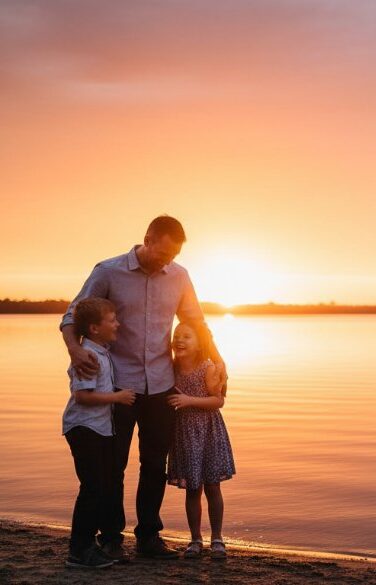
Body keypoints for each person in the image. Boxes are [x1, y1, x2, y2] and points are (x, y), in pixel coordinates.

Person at [60, 215, 226, 561]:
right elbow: (71, 317)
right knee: (113, 466)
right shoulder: (108, 271)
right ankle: (111, 538)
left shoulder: (179, 276)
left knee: (154, 466)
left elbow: (196, 321)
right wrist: (76, 350)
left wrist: (218, 359)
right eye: (163, 254)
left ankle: (149, 537)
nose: (168, 262)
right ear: (148, 239)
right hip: (120, 385)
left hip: (162, 386)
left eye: (173, 256)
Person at [61, 297, 136, 569]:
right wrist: (117, 398)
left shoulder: (102, 351)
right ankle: (79, 551)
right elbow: (82, 396)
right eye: (112, 320)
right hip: (84, 428)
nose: (118, 324)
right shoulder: (89, 356)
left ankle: (90, 545)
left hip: (100, 428)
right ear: (94, 328)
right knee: (92, 488)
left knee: (102, 487)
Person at [166, 321, 236, 560]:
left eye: (187, 336)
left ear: (199, 344)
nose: (180, 340)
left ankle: (217, 538)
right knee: (192, 489)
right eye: (177, 335)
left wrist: (189, 400)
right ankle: (195, 539)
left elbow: (218, 401)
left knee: (212, 486)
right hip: (185, 433)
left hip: (208, 431)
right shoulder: (171, 368)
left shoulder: (206, 367)